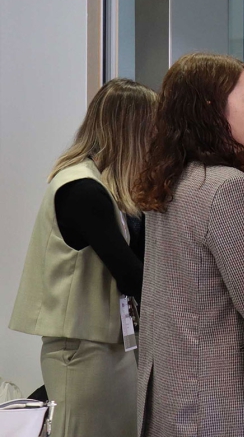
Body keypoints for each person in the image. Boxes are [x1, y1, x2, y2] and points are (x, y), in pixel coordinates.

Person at [134, 53, 244, 437]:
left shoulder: (171, 181)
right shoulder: (228, 188)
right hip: (220, 405)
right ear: (212, 110)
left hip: (170, 395)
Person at [9, 79, 156, 437]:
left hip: (106, 349)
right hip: (85, 354)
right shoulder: (82, 189)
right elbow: (132, 275)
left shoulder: (102, 186)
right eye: (153, 130)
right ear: (133, 132)